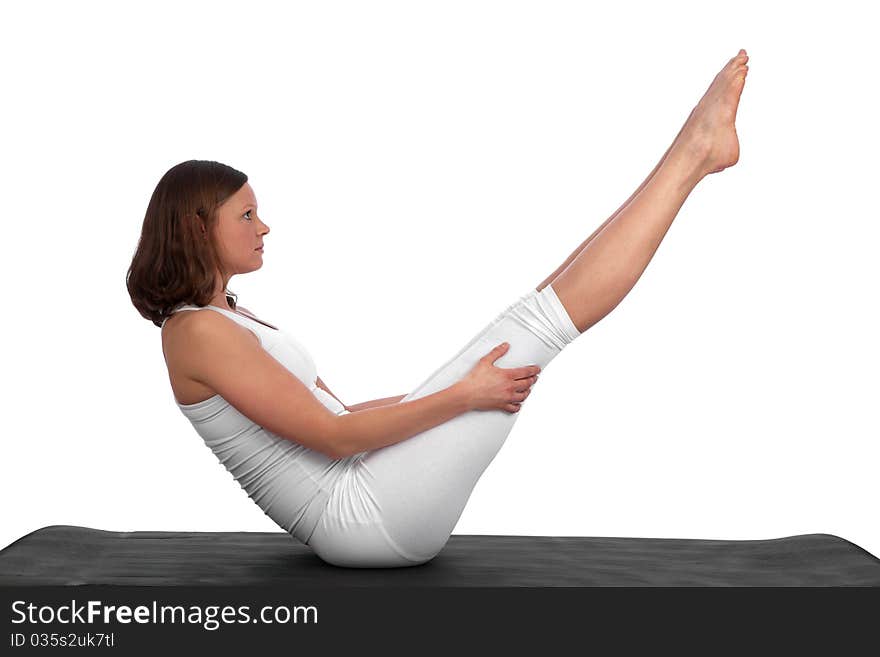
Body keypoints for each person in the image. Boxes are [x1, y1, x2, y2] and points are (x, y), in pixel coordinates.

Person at [126, 50, 749, 567]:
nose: (265, 226)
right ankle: (693, 156)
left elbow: (338, 411)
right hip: (361, 519)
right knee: (534, 327)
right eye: (246, 214)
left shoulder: (229, 316)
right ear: (197, 227)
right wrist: (462, 395)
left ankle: (689, 155)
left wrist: (439, 390)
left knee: (528, 311)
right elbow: (336, 438)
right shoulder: (194, 334)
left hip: (364, 494)